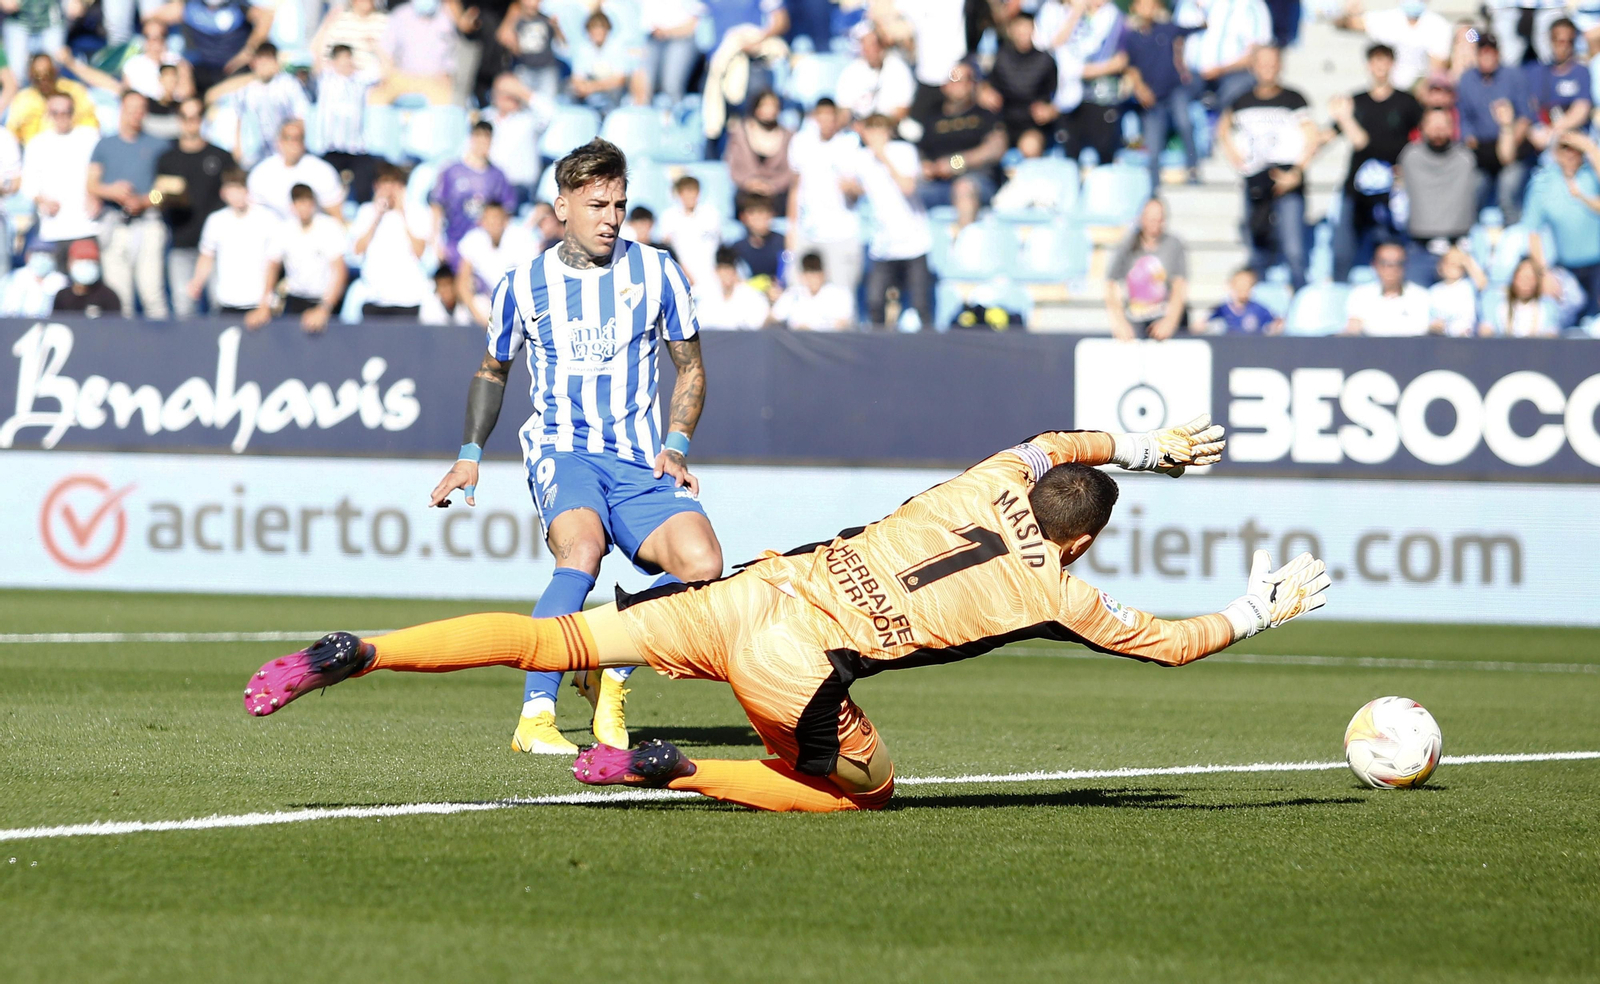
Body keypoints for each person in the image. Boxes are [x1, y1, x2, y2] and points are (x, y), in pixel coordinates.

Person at [246, 417, 1331, 816]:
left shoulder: (995, 470)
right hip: (795, 662)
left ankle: (361, 649)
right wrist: (1257, 606)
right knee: (863, 791)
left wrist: (1145, 449)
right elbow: (1175, 646)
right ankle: (669, 769)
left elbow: (1058, 443)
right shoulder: (1060, 590)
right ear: (1083, 538)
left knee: (551, 641)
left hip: (746, 592)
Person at [416, 139, 725, 753]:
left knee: (705, 567)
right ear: (562, 207)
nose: (612, 218)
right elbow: (493, 370)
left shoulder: (658, 270)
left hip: (640, 458)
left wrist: (678, 445)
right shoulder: (523, 284)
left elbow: (690, 367)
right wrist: (469, 455)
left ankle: (610, 669)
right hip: (564, 449)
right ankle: (535, 715)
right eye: (597, 204)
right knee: (580, 551)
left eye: (620, 204)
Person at [1218, 45, 1317, 289]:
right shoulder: (1242, 100)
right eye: (1263, 63)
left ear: (1281, 65)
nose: (1268, 69)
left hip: (1286, 178)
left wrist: (1296, 172)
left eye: (1272, 63)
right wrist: (1235, 157)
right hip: (1255, 180)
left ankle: (1300, 302)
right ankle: (1260, 309)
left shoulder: (1294, 98)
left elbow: (1312, 137)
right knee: (1256, 246)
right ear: (1254, 66)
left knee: (1294, 249)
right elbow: (1222, 128)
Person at [1328, 44, 1423, 283]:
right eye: (1375, 61)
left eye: (1385, 60)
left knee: (1391, 249)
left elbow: (1420, 140)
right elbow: (1328, 135)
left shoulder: (1407, 102)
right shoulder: (1356, 101)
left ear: (1393, 64)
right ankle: (1340, 294)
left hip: (1393, 190)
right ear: (1368, 65)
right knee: (1343, 249)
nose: (1380, 66)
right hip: (1357, 189)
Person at [87, 90, 171, 319]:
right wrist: (112, 191)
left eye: (140, 109)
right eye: (131, 109)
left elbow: (164, 193)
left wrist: (144, 201)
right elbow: (92, 184)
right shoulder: (105, 145)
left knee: (152, 292)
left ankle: (161, 350)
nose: (135, 114)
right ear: (121, 110)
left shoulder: (159, 146)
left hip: (148, 223)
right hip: (115, 225)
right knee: (119, 297)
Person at [849, 113, 933, 329]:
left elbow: (908, 187)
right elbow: (850, 186)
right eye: (871, 130)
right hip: (883, 245)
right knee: (874, 302)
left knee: (920, 304)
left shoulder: (904, 152)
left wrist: (884, 157)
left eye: (880, 130)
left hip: (913, 242)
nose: (876, 135)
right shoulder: (860, 158)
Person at [155, 98, 235, 319]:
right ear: (179, 120)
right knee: (183, 309)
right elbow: (156, 196)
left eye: (196, 117)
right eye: (186, 118)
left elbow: (234, 194)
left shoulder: (221, 157)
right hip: (182, 243)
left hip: (216, 248)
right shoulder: (167, 159)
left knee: (219, 306)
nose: (191, 123)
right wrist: (161, 198)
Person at [1521, 130, 1600, 322]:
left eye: (1576, 149)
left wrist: (1591, 147)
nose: (1571, 153)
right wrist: (1543, 273)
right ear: (1555, 152)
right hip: (1566, 269)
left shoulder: (1592, 175)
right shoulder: (1544, 182)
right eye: (1565, 148)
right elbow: (1533, 232)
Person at [786, 97, 862, 294]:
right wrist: (791, 228)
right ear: (815, 117)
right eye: (822, 116)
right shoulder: (801, 142)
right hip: (808, 230)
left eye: (831, 116)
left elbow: (861, 191)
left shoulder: (850, 144)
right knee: (799, 292)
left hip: (841, 233)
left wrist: (851, 187)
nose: (826, 121)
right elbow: (795, 188)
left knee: (841, 296)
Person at [1396, 108, 1478, 287]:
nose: (1438, 130)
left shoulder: (1467, 158)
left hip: (1458, 248)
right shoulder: (1410, 157)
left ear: (1453, 128)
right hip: (1420, 248)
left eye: (1444, 125)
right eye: (1433, 125)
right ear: (1422, 128)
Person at [1454, 34, 1530, 225]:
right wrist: (1468, 138)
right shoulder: (1467, 79)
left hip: (1512, 147)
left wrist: (1511, 143)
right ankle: (1470, 238)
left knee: (1508, 192)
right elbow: (1463, 116)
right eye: (1483, 52)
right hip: (1482, 150)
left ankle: (1515, 239)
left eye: (1491, 52)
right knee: (1473, 190)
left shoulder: (1514, 76)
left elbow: (1525, 116)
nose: (1487, 57)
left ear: (1498, 54)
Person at [1121, 0, 1196, 189]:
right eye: (1144, 4)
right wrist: (1140, 89)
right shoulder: (1130, 37)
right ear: (1134, 8)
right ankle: (1154, 188)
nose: (1149, 8)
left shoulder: (1167, 29)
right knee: (1153, 146)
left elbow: (1195, 28)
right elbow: (1128, 66)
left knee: (1185, 123)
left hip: (1174, 91)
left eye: (1152, 4)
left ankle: (1193, 168)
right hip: (1151, 98)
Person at [254, 182, 347, 332]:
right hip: (295, 299)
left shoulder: (329, 227)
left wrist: (324, 308)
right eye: (299, 202)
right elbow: (272, 265)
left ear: (314, 204)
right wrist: (265, 304)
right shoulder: (284, 229)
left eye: (307, 202)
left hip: (324, 301)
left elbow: (339, 270)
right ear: (292, 206)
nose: (303, 207)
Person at [916, 59, 1007, 208]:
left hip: (975, 180)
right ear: (945, 85)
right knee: (905, 192)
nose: (960, 85)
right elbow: (922, 151)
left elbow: (995, 149)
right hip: (938, 184)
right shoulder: (932, 115)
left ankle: (964, 231)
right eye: (954, 79)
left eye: (966, 80)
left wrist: (955, 163)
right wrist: (926, 166)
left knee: (964, 188)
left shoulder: (984, 113)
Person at [350, 163, 435, 319]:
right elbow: (357, 250)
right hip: (374, 298)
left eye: (394, 183)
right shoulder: (366, 212)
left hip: (408, 299)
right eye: (385, 182)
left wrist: (403, 213)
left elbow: (420, 251)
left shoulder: (417, 212)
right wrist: (376, 216)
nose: (389, 188)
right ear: (376, 186)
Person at [207, 42, 311, 170]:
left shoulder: (289, 85)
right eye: (261, 62)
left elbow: (301, 118)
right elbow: (237, 118)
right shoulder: (246, 90)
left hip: (284, 153)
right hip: (257, 156)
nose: (264, 66)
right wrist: (238, 148)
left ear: (276, 63)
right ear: (253, 63)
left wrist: (292, 146)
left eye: (268, 61)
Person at [189, 167, 278, 317]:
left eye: (240, 189)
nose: (237, 196)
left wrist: (265, 303)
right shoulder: (216, 221)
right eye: (232, 190)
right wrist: (197, 281)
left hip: (258, 305)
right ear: (223, 193)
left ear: (248, 190)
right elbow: (206, 256)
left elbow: (274, 262)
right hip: (227, 304)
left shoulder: (267, 219)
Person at [20, 91, 99, 256]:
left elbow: (101, 172)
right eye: (56, 112)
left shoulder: (90, 137)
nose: (61, 116)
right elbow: (28, 185)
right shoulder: (36, 144)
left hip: (87, 225)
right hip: (53, 228)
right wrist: (42, 200)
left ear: (73, 112)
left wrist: (96, 196)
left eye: (66, 111)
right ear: (48, 114)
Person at [430, 121, 517, 268]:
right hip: (454, 243)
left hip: (483, 249)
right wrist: (436, 241)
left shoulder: (497, 176)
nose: (483, 144)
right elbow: (437, 207)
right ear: (471, 139)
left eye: (486, 139)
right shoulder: (452, 171)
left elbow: (506, 212)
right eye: (479, 138)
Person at [148, 0, 274, 97]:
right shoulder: (190, 5)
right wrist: (157, 44)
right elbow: (152, 18)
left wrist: (248, 52)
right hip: (200, 69)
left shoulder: (238, 4)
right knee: (181, 81)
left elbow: (265, 18)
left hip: (234, 70)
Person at [1105, 198, 1189, 340]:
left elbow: (1179, 286)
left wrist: (1170, 322)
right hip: (1134, 321)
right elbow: (1112, 284)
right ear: (1141, 219)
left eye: (1159, 219)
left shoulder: (1173, 245)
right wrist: (1120, 323)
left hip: (1162, 320)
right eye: (1151, 219)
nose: (1155, 223)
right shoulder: (1127, 245)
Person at [314, 43, 381, 204]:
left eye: (348, 58)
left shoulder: (360, 80)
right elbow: (314, 54)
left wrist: (376, 49)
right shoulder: (325, 79)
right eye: (341, 59)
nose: (346, 63)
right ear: (333, 62)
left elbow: (383, 72)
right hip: (331, 148)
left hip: (356, 148)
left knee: (365, 186)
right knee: (325, 188)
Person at [981, 10, 1057, 148]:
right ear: (1011, 30)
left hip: (1033, 124)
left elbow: (1058, 97)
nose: (1023, 33)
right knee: (991, 145)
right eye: (1019, 27)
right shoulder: (1001, 56)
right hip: (1004, 122)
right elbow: (987, 85)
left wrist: (1051, 110)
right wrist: (985, 92)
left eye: (1027, 27)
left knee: (1030, 147)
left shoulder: (1046, 60)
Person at [455, 199, 539, 324]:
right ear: (482, 221)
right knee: (462, 313)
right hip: (485, 302)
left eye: (497, 218)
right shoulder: (473, 240)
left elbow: (530, 279)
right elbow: (462, 283)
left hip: (516, 302)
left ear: (505, 220)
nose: (493, 223)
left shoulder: (522, 238)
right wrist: (480, 318)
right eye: (489, 219)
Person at [1337, 0, 1450, 92]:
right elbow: (1346, 24)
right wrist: (1349, 11)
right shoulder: (1388, 19)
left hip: (1420, 92)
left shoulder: (1438, 25)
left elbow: (1437, 68)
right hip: (1389, 92)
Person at [247, 119, 346, 222]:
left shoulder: (322, 171)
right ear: (279, 142)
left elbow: (336, 216)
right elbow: (254, 214)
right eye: (288, 138)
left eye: (298, 138)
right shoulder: (261, 173)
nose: (293, 144)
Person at [1180, 0, 1271, 111]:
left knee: (1231, 99)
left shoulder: (1251, 5)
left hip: (1234, 74)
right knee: (1178, 99)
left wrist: (1220, 70)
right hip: (1192, 74)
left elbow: (1258, 53)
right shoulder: (1186, 4)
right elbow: (1176, 42)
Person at [1524, 18, 1590, 155]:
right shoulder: (1536, 72)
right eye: (1559, 41)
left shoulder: (1581, 72)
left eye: (1569, 41)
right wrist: (1534, 131)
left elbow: (1581, 110)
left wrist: (1554, 131)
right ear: (1551, 41)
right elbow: (1530, 107)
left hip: (1572, 139)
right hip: (1542, 138)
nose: (1564, 46)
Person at [833, 24, 915, 129]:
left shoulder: (898, 69)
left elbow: (902, 110)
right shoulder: (851, 71)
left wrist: (877, 128)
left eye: (875, 44)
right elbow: (843, 110)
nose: (872, 50)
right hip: (859, 130)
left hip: (889, 129)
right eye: (866, 45)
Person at [7, 53, 97, 146]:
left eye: (48, 74)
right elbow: (12, 134)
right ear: (30, 76)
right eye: (37, 76)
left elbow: (90, 125)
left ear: (56, 71)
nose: (43, 81)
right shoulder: (23, 99)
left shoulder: (74, 90)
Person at [483, 74, 545, 207]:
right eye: (502, 92)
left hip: (519, 188)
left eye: (511, 93)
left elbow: (551, 113)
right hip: (486, 186)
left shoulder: (528, 119)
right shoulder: (484, 117)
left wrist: (521, 91)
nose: (507, 96)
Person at [1343, 240, 1430, 335]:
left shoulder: (1421, 296)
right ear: (1374, 265)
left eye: (1397, 263)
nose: (1391, 268)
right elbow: (1352, 330)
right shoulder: (1359, 295)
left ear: (1406, 265)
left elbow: (1422, 330)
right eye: (1384, 263)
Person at [725, 90, 794, 202]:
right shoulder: (740, 133)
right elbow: (733, 165)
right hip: (746, 194)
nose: (770, 109)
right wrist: (750, 183)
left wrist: (771, 186)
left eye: (773, 106)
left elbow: (790, 170)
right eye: (766, 105)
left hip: (776, 196)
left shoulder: (787, 136)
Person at [658, 173, 723, 288]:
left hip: (710, 278)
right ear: (679, 194)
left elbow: (720, 245)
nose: (690, 196)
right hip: (682, 277)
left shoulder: (711, 214)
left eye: (693, 191)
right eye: (685, 192)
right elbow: (666, 249)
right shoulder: (669, 217)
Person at [498, 0, 564, 102]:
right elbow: (503, 36)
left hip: (546, 70)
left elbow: (562, 44)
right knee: (523, 105)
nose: (531, 4)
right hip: (524, 69)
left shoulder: (546, 19)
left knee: (547, 104)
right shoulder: (517, 20)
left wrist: (556, 27)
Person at [569, 10, 632, 114]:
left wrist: (593, 87)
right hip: (590, 91)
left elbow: (619, 79)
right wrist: (583, 87)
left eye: (601, 28)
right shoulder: (583, 49)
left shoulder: (616, 47)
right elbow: (577, 77)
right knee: (572, 91)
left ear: (607, 30)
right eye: (593, 28)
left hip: (611, 93)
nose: (597, 32)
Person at [695, 245, 772, 329]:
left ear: (735, 271)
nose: (726, 274)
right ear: (716, 271)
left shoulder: (752, 296)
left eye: (729, 269)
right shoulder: (705, 296)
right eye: (723, 269)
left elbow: (758, 325)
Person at [771, 251, 853, 330]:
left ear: (823, 273)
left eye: (816, 271)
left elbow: (843, 323)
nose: (813, 277)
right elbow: (773, 317)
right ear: (801, 275)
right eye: (808, 272)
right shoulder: (793, 294)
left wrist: (810, 330)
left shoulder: (839, 294)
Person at [310, 0, 389, 81]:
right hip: (338, 79)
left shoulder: (386, 22)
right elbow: (319, 53)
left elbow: (392, 62)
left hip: (374, 80)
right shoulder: (338, 19)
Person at [639, 0, 698, 104]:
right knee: (644, 87)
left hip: (682, 37)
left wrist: (668, 32)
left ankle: (677, 117)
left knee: (671, 86)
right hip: (651, 38)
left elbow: (695, 21)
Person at [1486, 256, 1561, 336]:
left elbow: (1551, 334)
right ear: (1514, 279)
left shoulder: (1547, 308)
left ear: (1537, 282)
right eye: (1521, 278)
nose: (1525, 283)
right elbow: (1487, 330)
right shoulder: (1500, 305)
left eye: (1529, 279)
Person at [52, 238, 123, 317]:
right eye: (81, 259)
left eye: (91, 260)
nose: (86, 264)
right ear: (70, 263)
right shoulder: (62, 297)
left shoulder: (109, 296)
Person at [1428, 246, 1487, 336]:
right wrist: (1434, 326)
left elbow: (1482, 283)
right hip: (1442, 339)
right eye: (1448, 263)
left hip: (1466, 339)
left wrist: (1466, 260)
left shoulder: (1469, 286)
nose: (1453, 266)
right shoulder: (1434, 291)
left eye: (1457, 263)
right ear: (1440, 266)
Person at [1205, 267, 1280, 334]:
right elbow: (1203, 325)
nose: (1244, 288)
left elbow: (1275, 324)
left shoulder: (1259, 309)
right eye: (1240, 284)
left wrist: (1274, 328)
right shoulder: (1221, 309)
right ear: (1232, 285)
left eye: (1247, 284)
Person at [0, 241, 67, 316]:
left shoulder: (61, 281)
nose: (42, 258)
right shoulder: (13, 278)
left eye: (47, 254)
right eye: (37, 253)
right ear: (27, 256)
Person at [731, 192, 782, 283]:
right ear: (743, 217)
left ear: (771, 215)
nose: (757, 218)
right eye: (752, 213)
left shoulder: (783, 244)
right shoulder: (736, 249)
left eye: (761, 212)